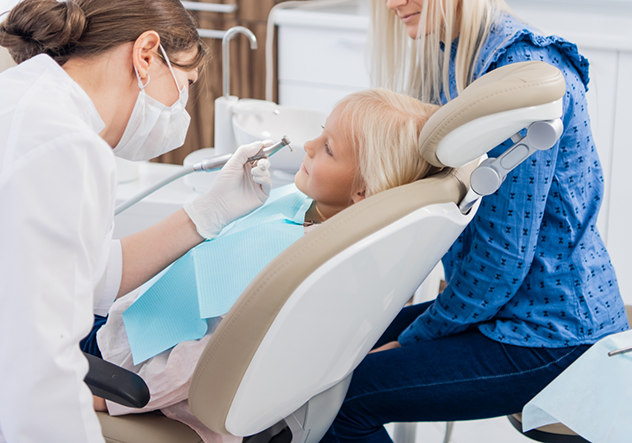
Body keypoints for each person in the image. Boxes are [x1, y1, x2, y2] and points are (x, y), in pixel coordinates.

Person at [0, 0, 275, 443]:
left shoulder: (6, 105)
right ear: (145, 55)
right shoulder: (60, 144)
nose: (180, 109)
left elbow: (89, 274)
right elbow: (41, 374)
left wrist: (207, 213)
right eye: (184, 82)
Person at [320, 0, 629, 443]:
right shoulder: (462, 64)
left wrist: (420, 336)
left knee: (343, 398)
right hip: (503, 311)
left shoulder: (519, 78)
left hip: (548, 331)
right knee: (324, 359)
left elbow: (502, 258)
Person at [84, 88, 438, 443]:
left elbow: (209, 363)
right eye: (320, 131)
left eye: (329, 148)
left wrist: (112, 399)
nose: (309, 146)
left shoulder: (299, 268)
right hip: (135, 330)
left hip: (136, 375)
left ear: (362, 190)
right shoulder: (305, 210)